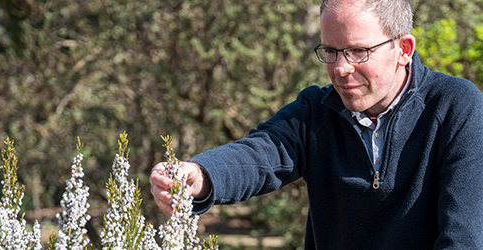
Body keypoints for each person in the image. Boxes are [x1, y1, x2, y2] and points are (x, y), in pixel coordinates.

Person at [149, 0, 483, 249]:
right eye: (331, 51)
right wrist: (201, 175)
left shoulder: (455, 107)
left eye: (357, 51)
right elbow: (262, 152)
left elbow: (464, 236)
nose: (340, 68)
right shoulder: (316, 111)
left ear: (404, 50)